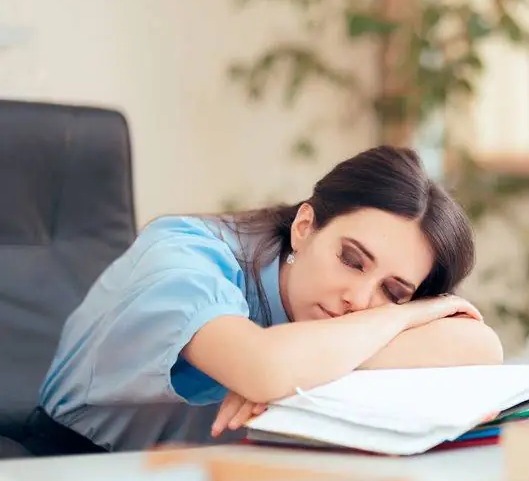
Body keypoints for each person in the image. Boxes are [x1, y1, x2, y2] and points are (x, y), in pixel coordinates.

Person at [18, 145, 503, 457]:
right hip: (77, 473)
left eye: (393, 292)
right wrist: (406, 316)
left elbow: (482, 346)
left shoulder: (353, 309)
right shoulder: (183, 253)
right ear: (305, 226)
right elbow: (265, 370)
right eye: (352, 260)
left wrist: (304, 363)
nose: (360, 299)